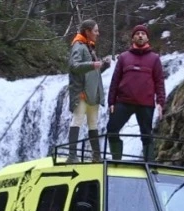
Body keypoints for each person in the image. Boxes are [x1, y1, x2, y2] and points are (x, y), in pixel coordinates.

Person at [106, 24, 166, 161]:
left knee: (146, 134)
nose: (140, 35)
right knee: (111, 129)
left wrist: (161, 102)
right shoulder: (123, 57)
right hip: (123, 101)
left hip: (145, 103)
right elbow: (115, 80)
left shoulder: (154, 59)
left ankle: (149, 163)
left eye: (143, 34)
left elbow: (159, 82)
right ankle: (116, 159)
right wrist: (111, 101)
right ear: (133, 38)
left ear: (147, 38)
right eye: (137, 33)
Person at [67, 19, 111, 163]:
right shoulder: (78, 46)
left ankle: (96, 156)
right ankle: (72, 156)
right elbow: (74, 65)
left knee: (93, 124)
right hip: (82, 92)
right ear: (87, 31)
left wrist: (104, 65)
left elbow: (93, 71)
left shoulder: (89, 47)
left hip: (93, 93)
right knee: (77, 121)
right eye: (96, 31)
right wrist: (93, 64)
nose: (98, 34)